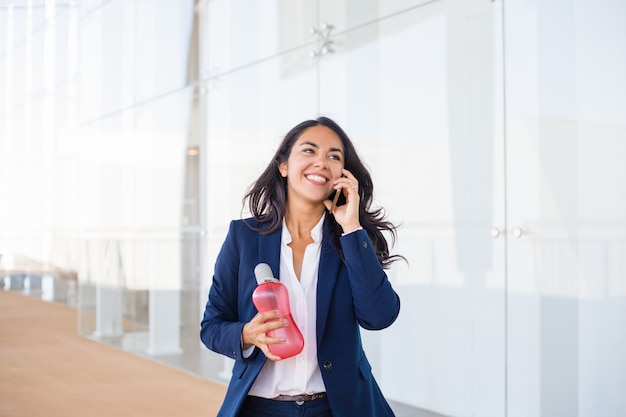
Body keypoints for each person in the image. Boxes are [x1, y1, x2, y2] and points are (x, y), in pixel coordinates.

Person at [200, 116, 403, 417]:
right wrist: (247, 334)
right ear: (284, 166)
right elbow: (212, 326)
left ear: (343, 174)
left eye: (334, 156)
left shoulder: (351, 240)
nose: (321, 162)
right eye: (309, 151)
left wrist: (351, 227)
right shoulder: (244, 237)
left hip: (336, 408)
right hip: (259, 408)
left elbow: (379, 316)